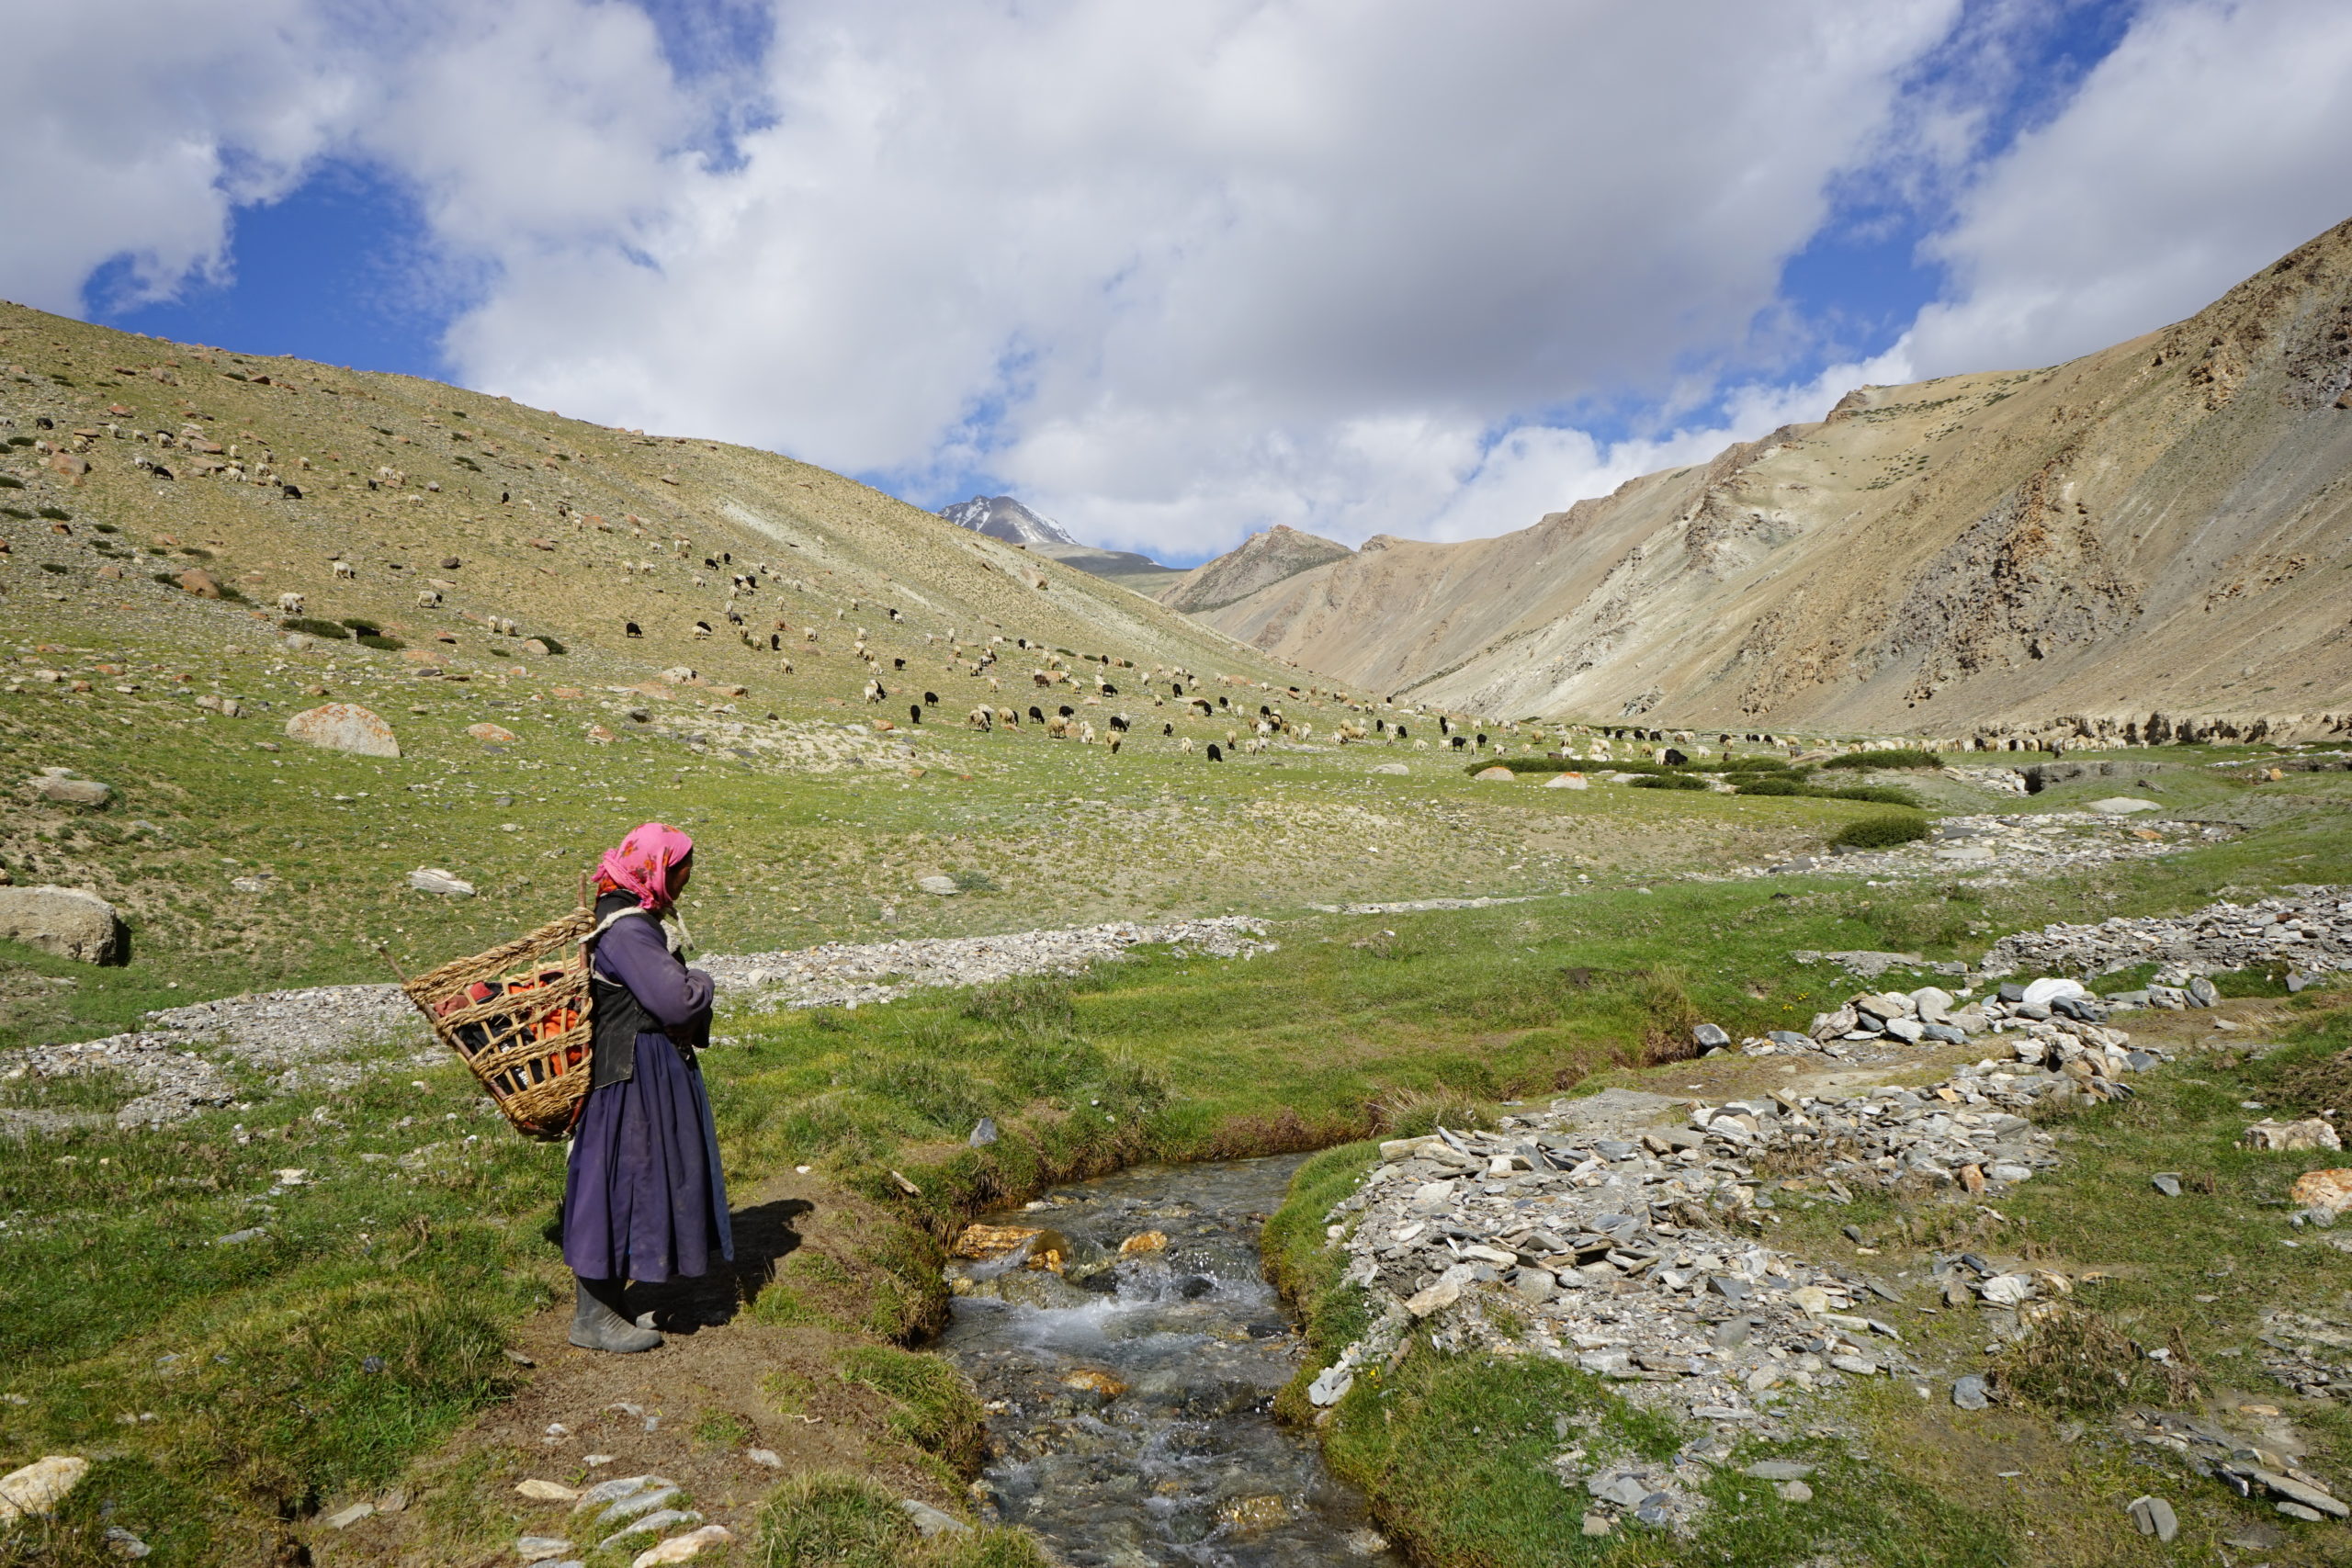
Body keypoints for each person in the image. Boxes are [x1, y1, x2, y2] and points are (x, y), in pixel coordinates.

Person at [563, 823, 733, 1352]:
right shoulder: (628, 930)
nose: (685, 880)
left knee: (627, 1179)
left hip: (636, 1073)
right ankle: (594, 1319)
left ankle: (609, 1307)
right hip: (631, 1078)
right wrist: (702, 980)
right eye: (681, 869)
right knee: (620, 1181)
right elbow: (676, 1002)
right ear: (658, 869)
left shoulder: (624, 918)